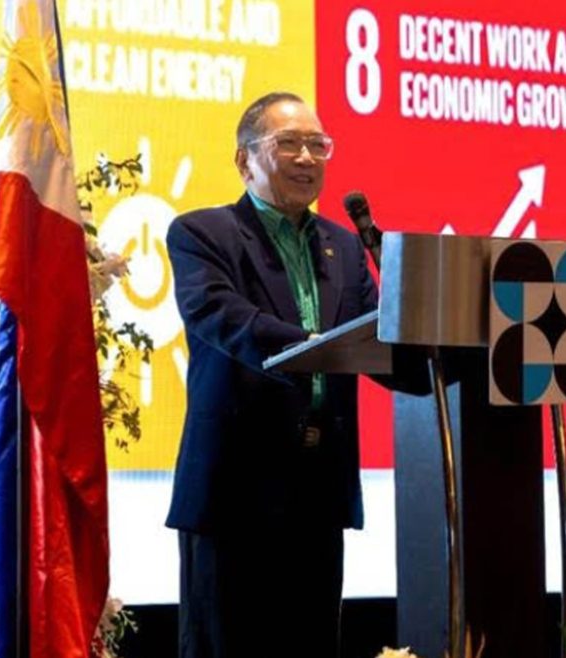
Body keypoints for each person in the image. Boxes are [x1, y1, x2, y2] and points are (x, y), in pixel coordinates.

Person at [165, 91, 376, 657]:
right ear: (245, 160)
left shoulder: (345, 248)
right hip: (235, 490)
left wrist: (446, 357)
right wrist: (309, 345)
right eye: (289, 143)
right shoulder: (202, 234)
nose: (307, 158)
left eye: (318, 144)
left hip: (318, 490)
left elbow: (374, 341)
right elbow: (222, 317)